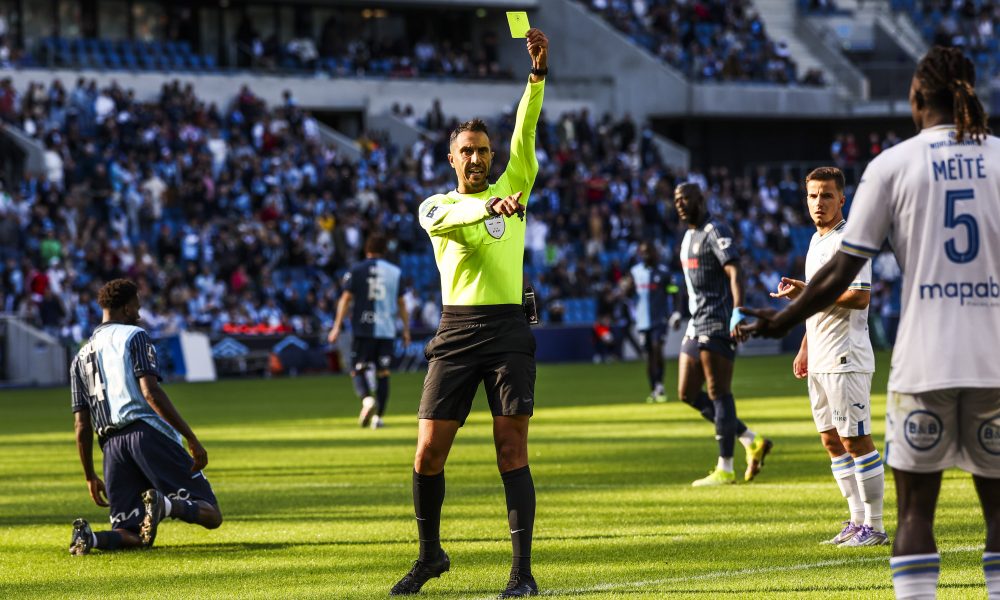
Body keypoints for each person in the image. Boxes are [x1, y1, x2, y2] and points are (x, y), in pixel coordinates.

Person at [742, 46, 1000, 599]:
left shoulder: (891, 166)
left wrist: (780, 320)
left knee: (915, 518)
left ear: (914, 99)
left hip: (924, 360)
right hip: (993, 359)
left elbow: (843, 277)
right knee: (997, 513)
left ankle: (880, 538)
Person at [389, 28, 548, 598]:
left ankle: (521, 573)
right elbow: (451, 223)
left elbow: (526, 128)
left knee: (511, 448)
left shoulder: (516, 183)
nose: (478, 158)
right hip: (455, 332)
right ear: (452, 158)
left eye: (484, 150)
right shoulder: (437, 205)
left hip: (507, 328)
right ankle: (430, 555)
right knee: (428, 451)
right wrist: (489, 209)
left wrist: (535, 77)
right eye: (468, 151)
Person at [772, 167, 887, 547]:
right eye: (812, 196)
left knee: (856, 440)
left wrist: (808, 294)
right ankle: (856, 521)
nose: (818, 203)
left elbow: (860, 295)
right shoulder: (816, 241)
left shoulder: (851, 240)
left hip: (845, 356)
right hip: (821, 356)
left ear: (842, 199)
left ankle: (876, 525)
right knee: (831, 441)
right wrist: (806, 346)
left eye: (826, 196)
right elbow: (815, 304)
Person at [68, 279, 222, 555]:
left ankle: (90, 539)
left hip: (112, 447)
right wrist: (191, 437)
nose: (139, 314)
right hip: (146, 434)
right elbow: (150, 392)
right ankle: (167, 505)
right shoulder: (133, 336)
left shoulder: (79, 357)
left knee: (135, 533)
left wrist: (90, 475)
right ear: (126, 308)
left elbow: (81, 425)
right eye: (137, 307)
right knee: (211, 512)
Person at [674, 182, 773, 486]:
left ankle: (725, 467)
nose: (680, 203)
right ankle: (750, 439)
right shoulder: (688, 236)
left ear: (701, 200)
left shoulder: (715, 230)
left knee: (719, 392)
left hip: (718, 321)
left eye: (686, 198)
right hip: (696, 322)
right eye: (676, 199)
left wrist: (738, 310)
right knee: (687, 393)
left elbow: (734, 270)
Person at [327, 232, 410, 429]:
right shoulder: (395, 272)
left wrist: (337, 326)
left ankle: (366, 399)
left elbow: (346, 299)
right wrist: (406, 330)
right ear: (384, 250)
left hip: (363, 329)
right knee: (383, 373)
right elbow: (402, 304)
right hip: (387, 330)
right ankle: (378, 418)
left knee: (357, 368)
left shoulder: (356, 270)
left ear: (367, 250)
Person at [629, 241, 679, 402]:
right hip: (642, 320)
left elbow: (674, 292)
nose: (646, 255)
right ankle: (653, 389)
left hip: (660, 319)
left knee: (658, 349)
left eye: (648, 252)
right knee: (649, 355)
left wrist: (676, 312)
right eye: (643, 252)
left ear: (655, 253)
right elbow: (629, 293)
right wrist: (626, 289)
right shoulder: (635, 272)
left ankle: (660, 385)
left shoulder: (664, 273)